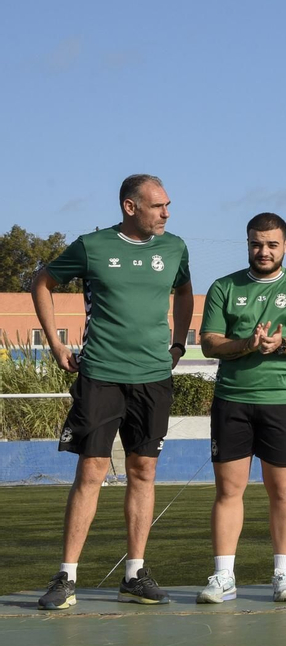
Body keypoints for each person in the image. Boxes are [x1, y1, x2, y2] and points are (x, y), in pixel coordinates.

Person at [33, 174, 193, 610]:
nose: (166, 213)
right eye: (158, 205)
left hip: (153, 377)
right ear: (130, 207)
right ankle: (66, 577)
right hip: (101, 374)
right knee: (91, 471)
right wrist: (57, 345)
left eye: (167, 205)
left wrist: (178, 344)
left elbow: (184, 291)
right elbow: (42, 283)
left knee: (144, 471)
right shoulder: (92, 246)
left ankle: (134, 575)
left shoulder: (174, 248)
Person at [195, 213, 286, 604]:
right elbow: (209, 343)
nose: (263, 251)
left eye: (271, 244)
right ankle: (224, 577)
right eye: (256, 244)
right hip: (232, 400)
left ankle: (283, 574)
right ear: (248, 244)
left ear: (285, 246)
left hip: (281, 401)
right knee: (228, 491)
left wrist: (280, 344)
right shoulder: (224, 286)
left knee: (282, 491)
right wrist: (246, 345)